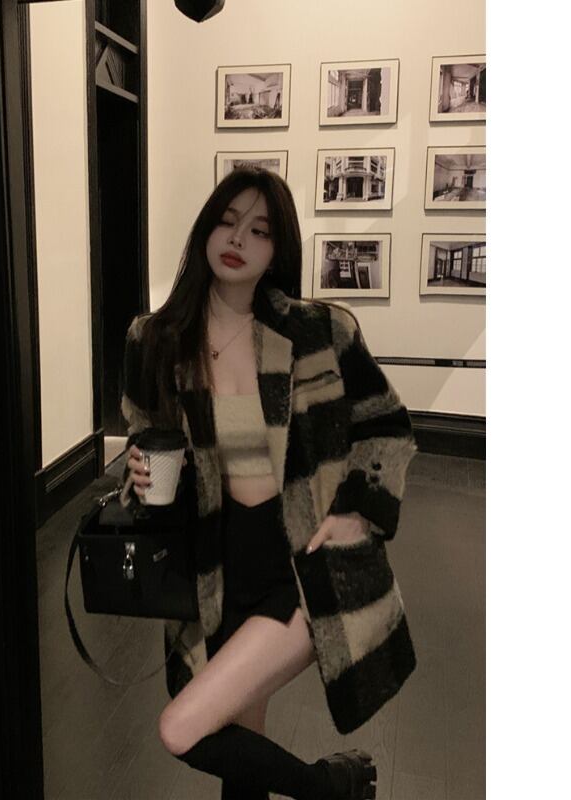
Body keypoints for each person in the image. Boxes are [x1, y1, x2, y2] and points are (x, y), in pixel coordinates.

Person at [118, 166, 417, 799]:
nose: (238, 239)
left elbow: (387, 427)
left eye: (259, 230)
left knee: (182, 727)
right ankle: (334, 783)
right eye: (227, 222)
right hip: (214, 572)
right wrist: (137, 474)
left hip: (304, 569)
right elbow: (143, 439)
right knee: (239, 752)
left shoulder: (319, 333)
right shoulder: (155, 341)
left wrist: (357, 512)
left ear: (277, 250)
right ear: (206, 229)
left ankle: (330, 784)